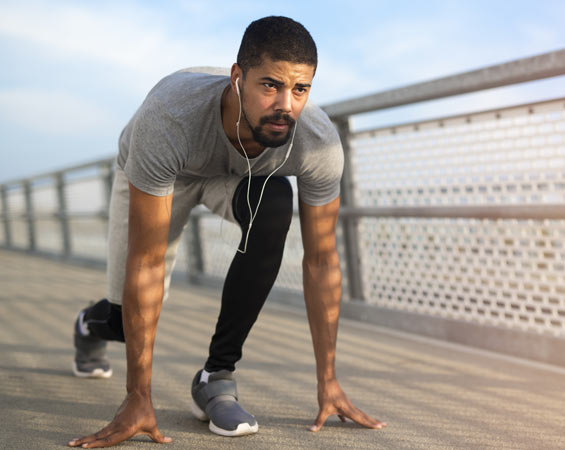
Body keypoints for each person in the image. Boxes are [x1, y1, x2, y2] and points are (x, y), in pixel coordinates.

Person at [67, 16, 385, 448]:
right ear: (238, 78)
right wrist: (137, 396)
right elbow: (147, 261)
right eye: (269, 85)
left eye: (300, 90)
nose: (285, 105)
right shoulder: (169, 118)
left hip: (234, 175)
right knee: (127, 322)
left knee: (273, 203)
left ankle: (216, 375)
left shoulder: (317, 142)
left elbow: (322, 261)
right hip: (167, 174)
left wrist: (328, 380)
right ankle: (90, 325)